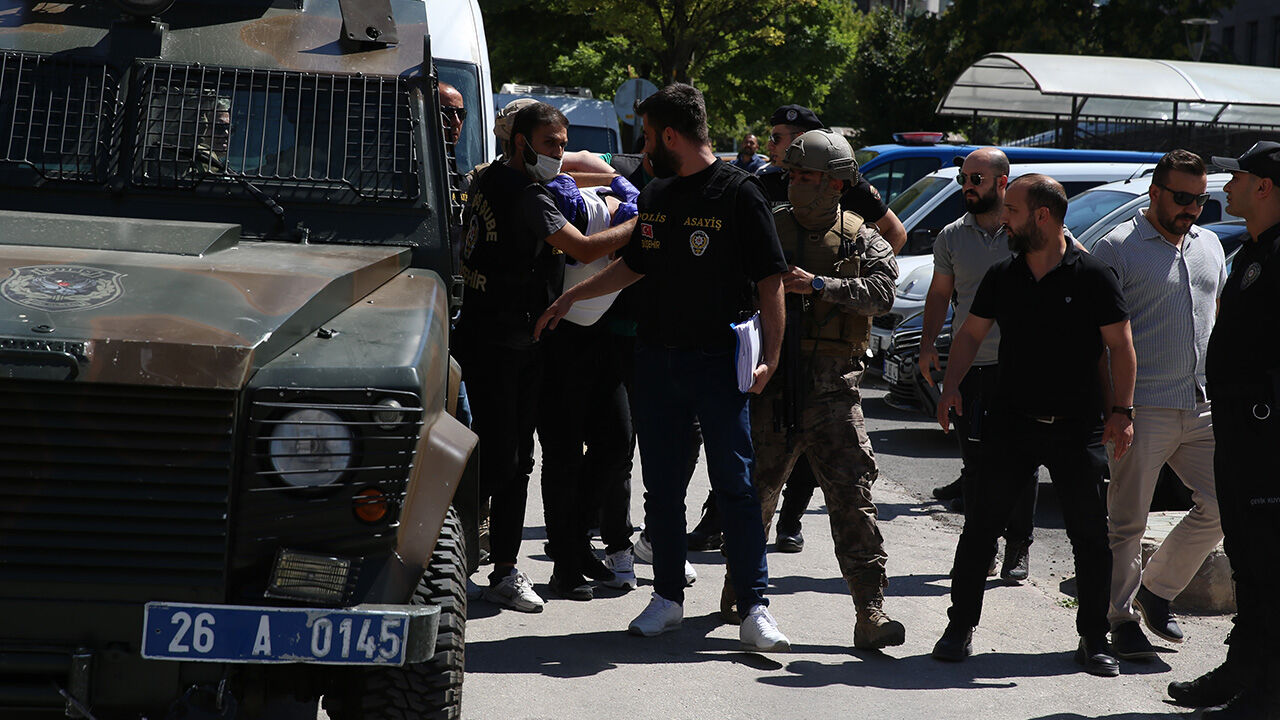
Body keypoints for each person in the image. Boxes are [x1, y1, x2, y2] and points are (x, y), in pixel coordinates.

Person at [536, 82, 791, 652]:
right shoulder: (656, 193)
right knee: (663, 488)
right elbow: (636, 265)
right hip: (656, 361)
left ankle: (755, 606)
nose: (644, 146)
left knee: (736, 486)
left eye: (649, 136)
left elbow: (770, 280)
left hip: (719, 360)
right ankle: (668, 598)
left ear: (671, 135)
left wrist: (772, 355)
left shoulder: (739, 192)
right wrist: (571, 297)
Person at [930, 174, 1135, 678]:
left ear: (1042, 216)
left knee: (1090, 537)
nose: (1004, 219)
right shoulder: (1004, 274)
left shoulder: (1092, 275)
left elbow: (1121, 346)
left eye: (1013, 211)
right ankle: (959, 627)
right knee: (980, 528)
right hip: (1012, 423)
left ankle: (1094, 638)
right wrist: (951, 386)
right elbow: (970, 334)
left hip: (1078, 428)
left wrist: (1122, 412)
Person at [728, 128, 905, 650]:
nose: (795, 183)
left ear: (836, 183)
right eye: (793, 174)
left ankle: (870, 611)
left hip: (834, 393)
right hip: (772, 388)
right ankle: (741, 586)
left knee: (853, 498)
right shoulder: (767, 228)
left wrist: (821, 285)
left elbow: (883, 294)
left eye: (806, 175)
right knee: (753, 496)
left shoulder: (862, 238)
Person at [455, 102, 633, 613]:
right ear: (521, 143)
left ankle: (491, 566)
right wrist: (643, 224)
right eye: (550, 144)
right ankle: (465, 562)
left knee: (503, 460)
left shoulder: (488, 176)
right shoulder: (530, 197)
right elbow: (583, 250)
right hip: (505, 345)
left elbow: (582, 170)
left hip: (495, 338)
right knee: (506, 464)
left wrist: (605, 175)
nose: (559, 153)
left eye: (562, 143)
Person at [1090, 150, 1226, 663]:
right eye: (1182, 197)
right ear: (1154, 192)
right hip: (1140, 407)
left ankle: (1156, 590)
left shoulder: (1210, 245)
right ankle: (1120, 620)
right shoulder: (1117, 248)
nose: (1192, 208)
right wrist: (1115, 409)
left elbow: (1216, 317)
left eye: (1201, 199)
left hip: (1201, 404)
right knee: (1128, 521)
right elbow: (1096, 341)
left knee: (1224, 504)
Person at [1166, 141, 1280, 718]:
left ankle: (1269, 690)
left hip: (1268, 436)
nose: (1227, 186)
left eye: (1238, 177)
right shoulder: (1254, 248)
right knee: (1248, 560)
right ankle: (1242, 672)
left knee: (1270, 564)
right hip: (1239, 431)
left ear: (1264, 186)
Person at [918, 148, 1039, 585]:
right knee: (976, 465)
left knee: (1021, 462)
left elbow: (1075, 262)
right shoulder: (952, 236)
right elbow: (939, 294)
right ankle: (982, 546)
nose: (967, 186)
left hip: (1023, 367)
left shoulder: (1027, 231)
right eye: (963, 179)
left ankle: (1018, 545)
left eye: (976, 179)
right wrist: (927, 346)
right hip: (971, 368)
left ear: (1002, 183)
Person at [758, 105, 909, 253]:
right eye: (793, 177)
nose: (769, 146)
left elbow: (896, 232)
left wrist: (868, 266)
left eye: (776, 139)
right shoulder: (768, 182)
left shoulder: (843, 183)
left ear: (799, 139)